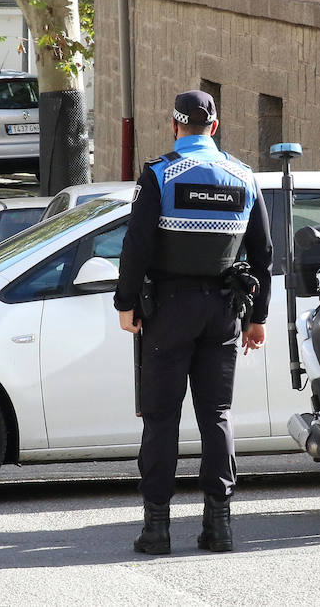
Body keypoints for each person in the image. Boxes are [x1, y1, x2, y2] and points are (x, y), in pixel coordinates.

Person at [115, 89, 273, 555]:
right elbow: (262, 256)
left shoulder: (160, 174)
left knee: (161, 420)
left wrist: (126, 302)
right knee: (216, 417)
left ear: (174, 124)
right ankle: (219, 526)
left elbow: (136, 247)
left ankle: (157, 530)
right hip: (224, 311)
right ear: (215, 126)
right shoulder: (244, 177)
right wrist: (257, 317)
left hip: (168, 309)